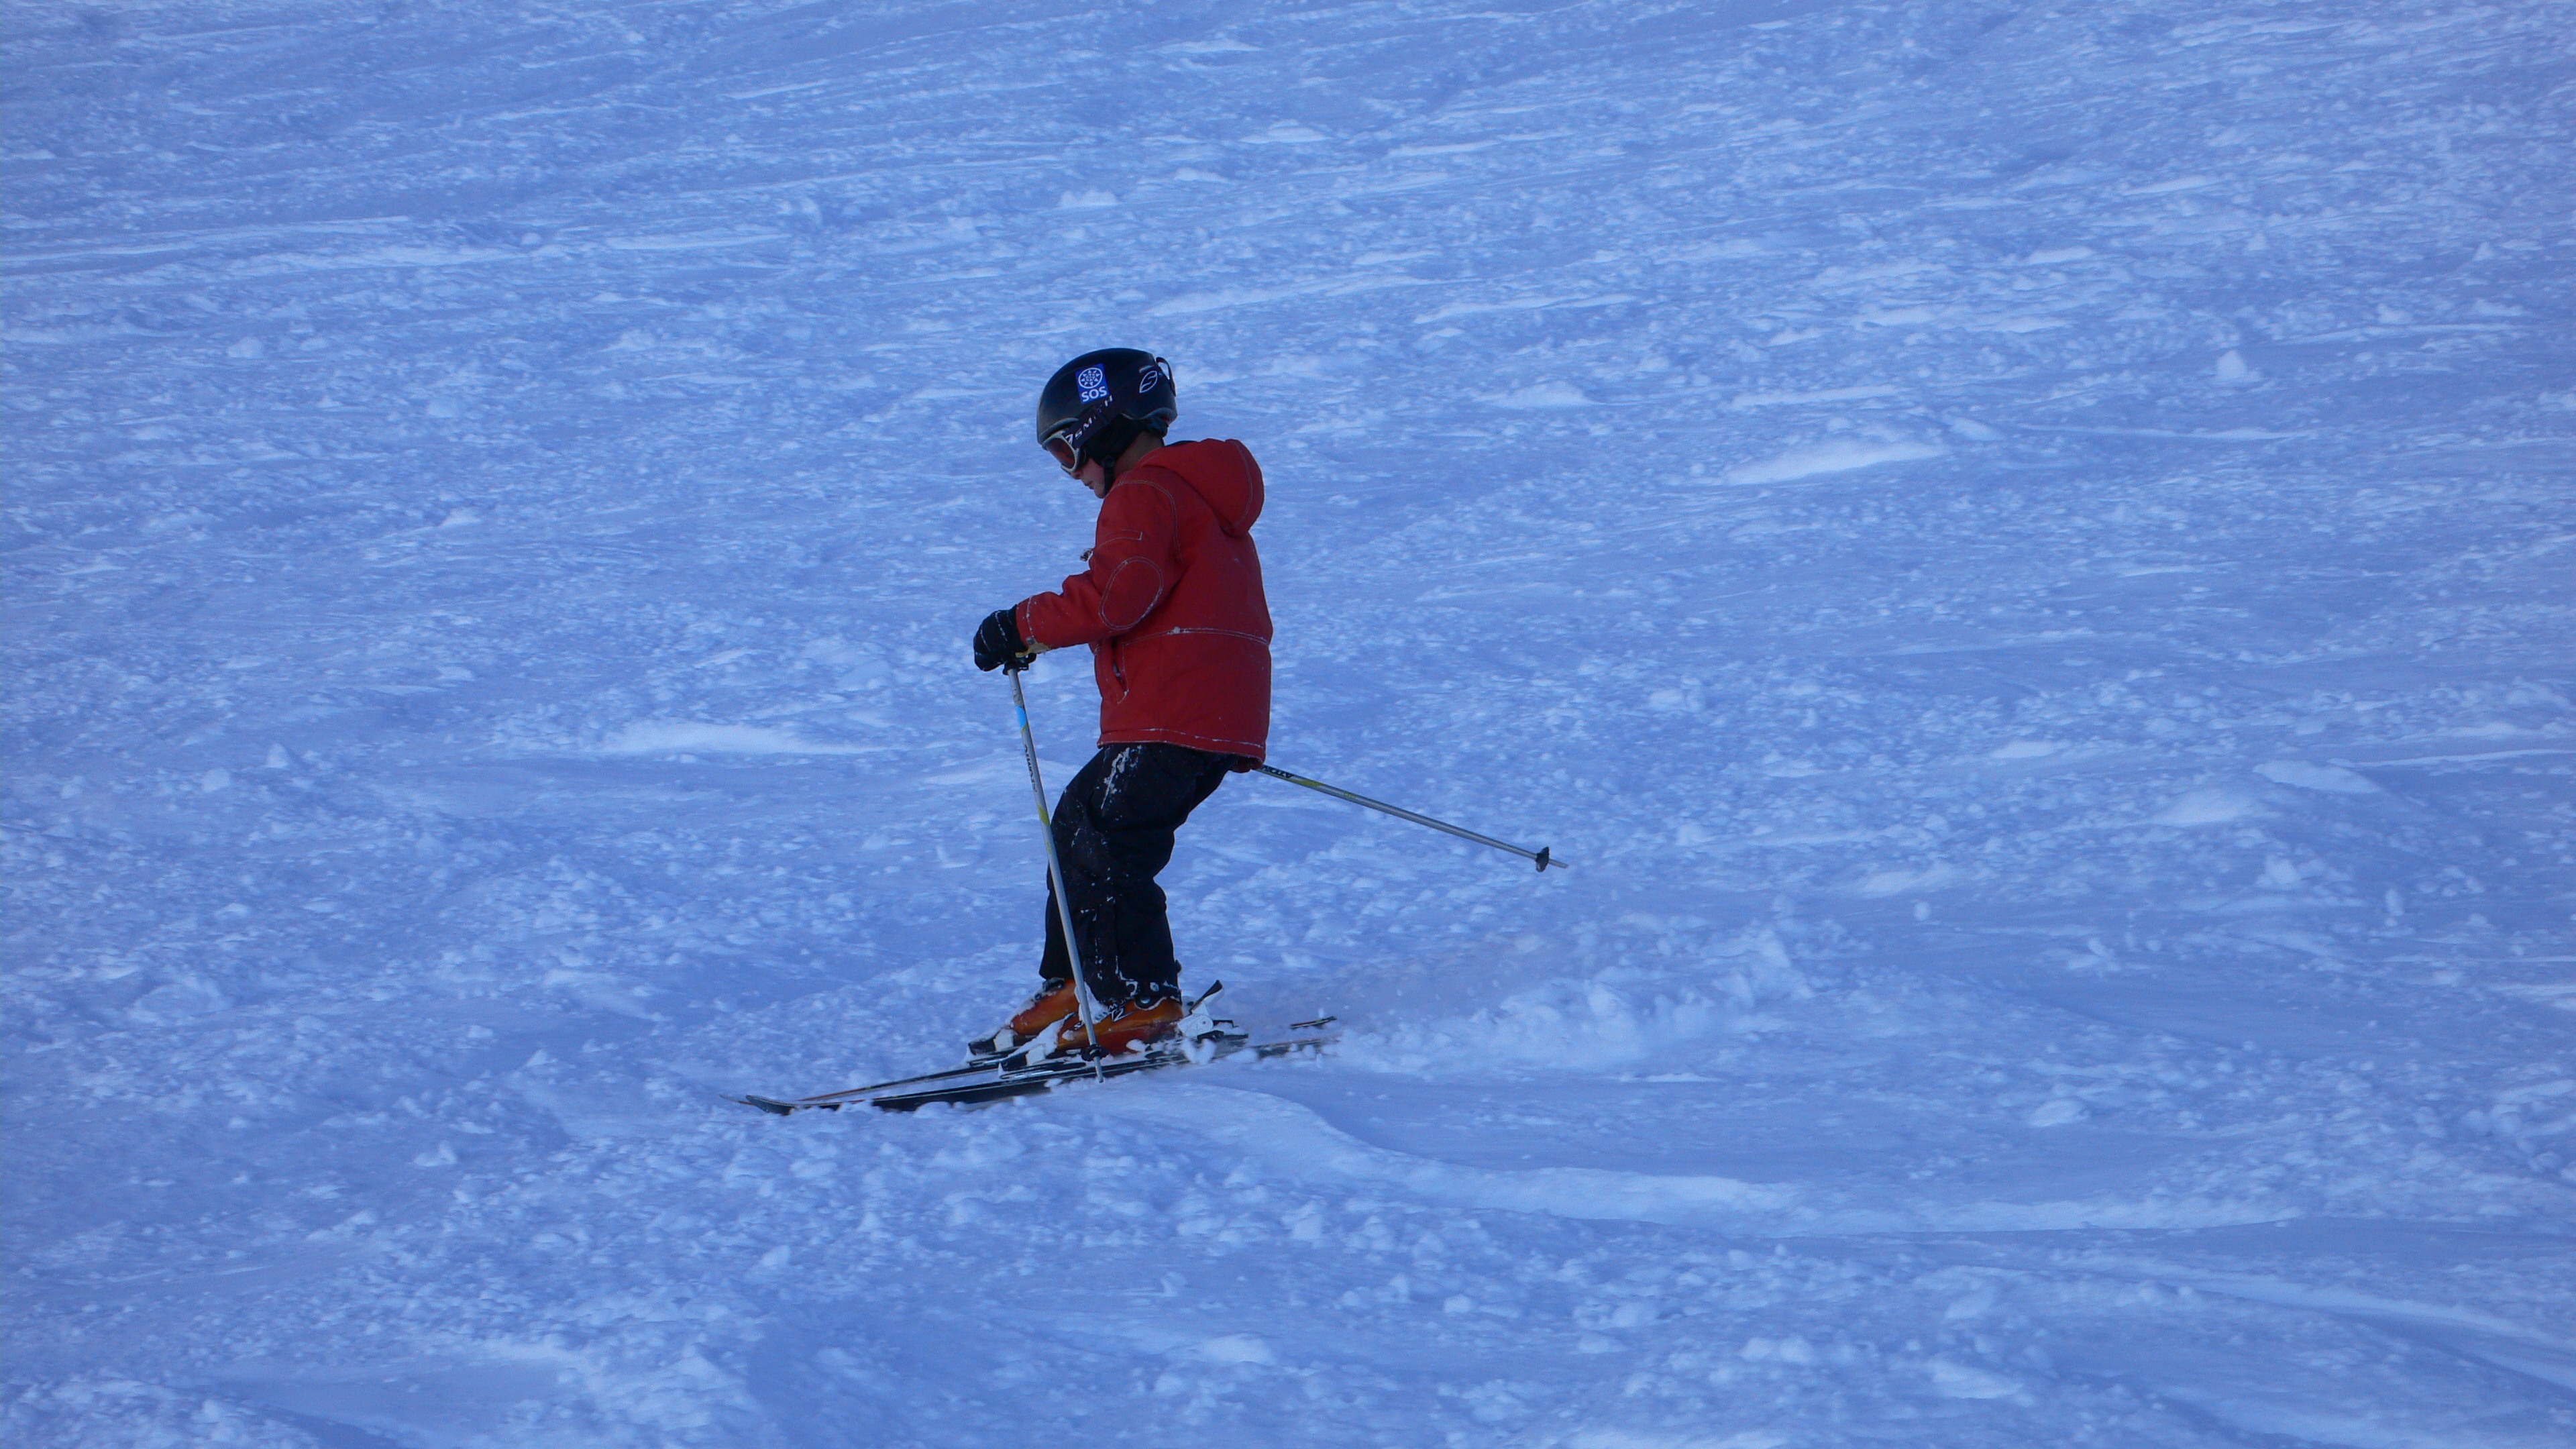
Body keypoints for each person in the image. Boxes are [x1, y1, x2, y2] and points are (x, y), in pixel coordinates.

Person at [967, 350, 1273, 1059]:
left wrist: (1022, 625)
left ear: (1103, 430)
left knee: (1107, 845)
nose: (1071, 472)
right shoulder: (1198, 499)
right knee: (1079, 826)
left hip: (1173, 713)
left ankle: (1141, 996)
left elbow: (1118, 595)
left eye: (1066, 450)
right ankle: (1079, 979)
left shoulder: (1145, 493)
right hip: (1200, 713)